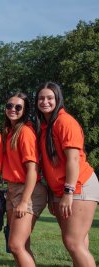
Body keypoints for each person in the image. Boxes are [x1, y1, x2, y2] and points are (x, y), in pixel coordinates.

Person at [35, 82, 99, 267]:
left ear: (58, 99)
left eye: (49, 98)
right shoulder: (46, 125)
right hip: (61, 190)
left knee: (73, 242)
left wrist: (68, 193)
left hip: (79, 186)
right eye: (41, 98)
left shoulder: (64, 121)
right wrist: (53, 195)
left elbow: (73, 160)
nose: (45, 101)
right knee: (79, 242)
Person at [2, 92, 47, 266]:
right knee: (22, 245)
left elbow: (32, 170)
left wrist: (24, 201)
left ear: (25, 110)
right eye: (9, 106)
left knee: (15, 245)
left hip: (29, 190)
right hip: (13, 189)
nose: (12, 109)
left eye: (18, 107)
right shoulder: (10, 131)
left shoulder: (25, 132)